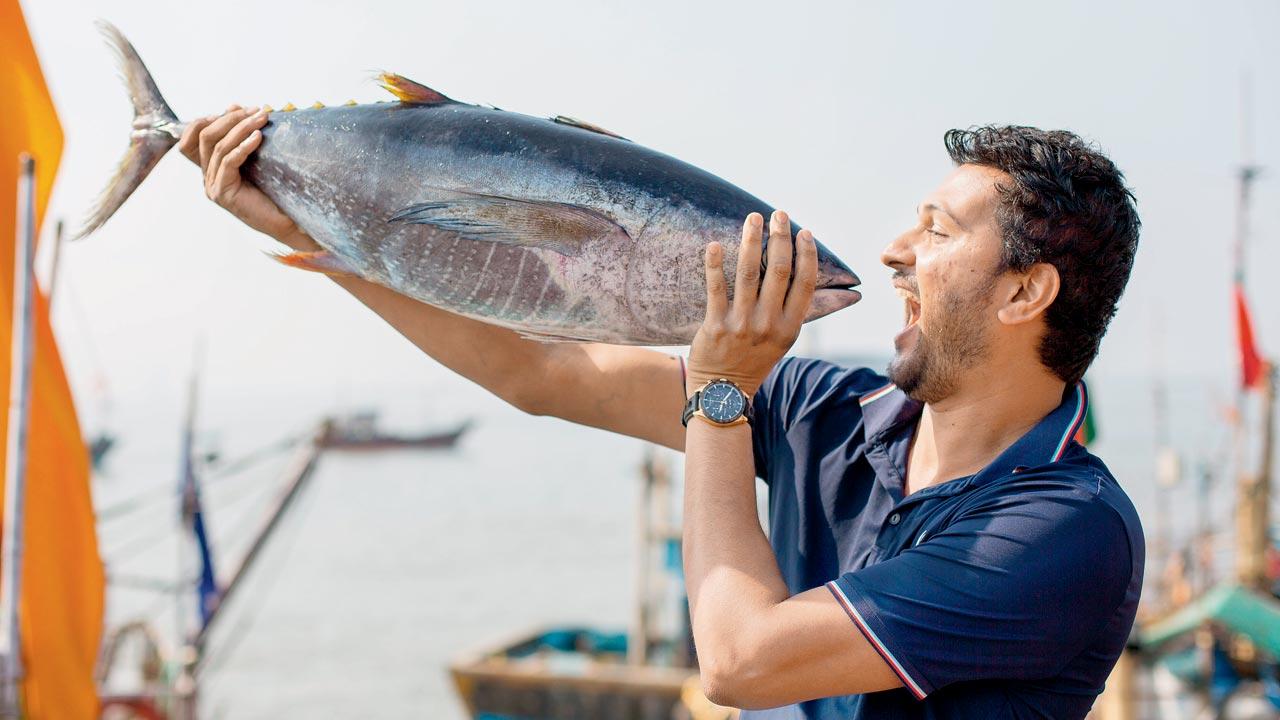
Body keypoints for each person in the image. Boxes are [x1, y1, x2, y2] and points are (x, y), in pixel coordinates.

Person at [181, 112, 1144, 719]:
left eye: (936, 233)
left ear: (1026, 294)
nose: (894, 251)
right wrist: (322, 236)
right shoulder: (835, 408)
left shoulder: (1062, 531)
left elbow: (740, 662)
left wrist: (719, 393)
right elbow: (545, 370)